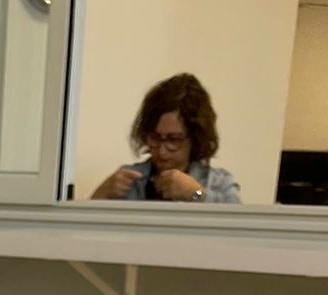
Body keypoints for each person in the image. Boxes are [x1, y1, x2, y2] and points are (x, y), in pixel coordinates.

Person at [91, 74, 241, 204]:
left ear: (195, 138)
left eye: (174, 139)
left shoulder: (219, 183)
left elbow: (239, 226)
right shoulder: (128, 181)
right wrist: (101, 193)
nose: (162, 151)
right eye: (155, 138)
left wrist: (195, 194)